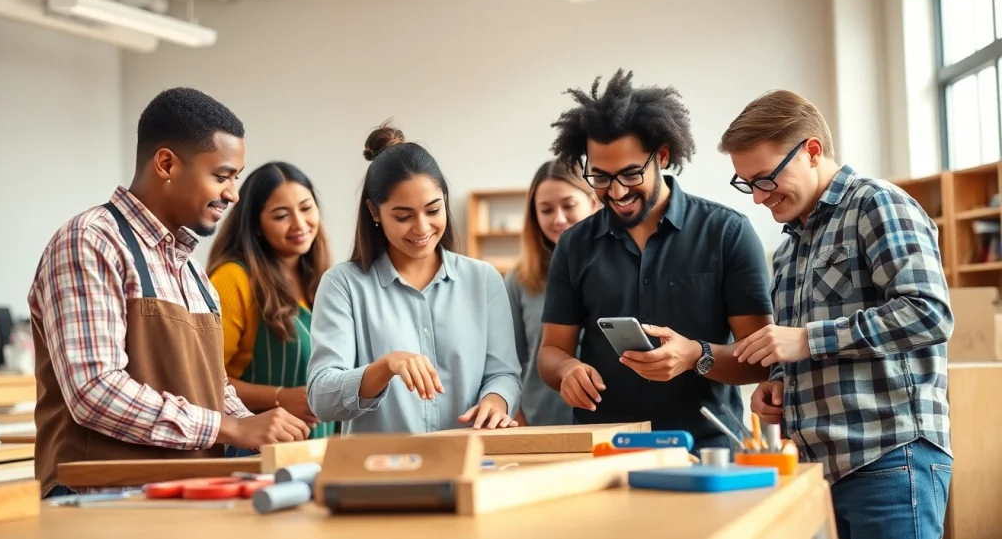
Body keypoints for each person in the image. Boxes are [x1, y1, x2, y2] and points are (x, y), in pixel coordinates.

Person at [28, 88, 310, 498]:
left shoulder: (192, 270)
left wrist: (257, 426)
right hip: (99, 503)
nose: (232, 194)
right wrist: (230, 427)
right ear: (166, 164)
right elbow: (94, 390)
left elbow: (212, 388)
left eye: (236, 179)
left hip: (185, 495)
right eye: (222, 176)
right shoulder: (89, 241)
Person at [718, 89, 953, 538]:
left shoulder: (878, 203)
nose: (757, 197)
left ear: (811, 151)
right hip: (819, 469)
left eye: (765, 179)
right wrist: (778, 383)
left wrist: (806, 339)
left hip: (888, 457)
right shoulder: (789, 248)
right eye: (747, 184)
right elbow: (808, 349)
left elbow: (929, 313)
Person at [536, 69, 775, 452]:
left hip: (707, 449)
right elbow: (551, 352)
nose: (615, 191)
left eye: (630, 174)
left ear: (661, 155)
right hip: (604, 450)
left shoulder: (727, 233)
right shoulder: (575, 244)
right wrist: (567, 370)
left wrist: (697, 356)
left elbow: (760, 360)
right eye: (599, 177)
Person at [306, 121, 522, 434]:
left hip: (471, 461)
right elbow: (321, 399)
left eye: (433, 210)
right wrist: (384, 367)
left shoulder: (484, 279)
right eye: (403, 216)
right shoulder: (343, 285)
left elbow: (504, 374)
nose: (421, 228)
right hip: (380, 475)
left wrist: (495, 401)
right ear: (374, 212)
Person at [207, 161, 336, 440]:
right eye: (281, 215)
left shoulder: (325, 282)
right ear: (256, 225)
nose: (299, 224)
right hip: (253, 455)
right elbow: (203, 380)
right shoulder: (234, 279)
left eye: (306, 208)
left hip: (318, 452)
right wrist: (280, 397)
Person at [505, 159, 599, 426]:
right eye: (546, 210)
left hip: (609, 422)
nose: (558, 218)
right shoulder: (519, 280)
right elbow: (510, 363)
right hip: (543, 423)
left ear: (593, 202)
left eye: (569, 205)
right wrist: (519, 422)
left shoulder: (617, 269)